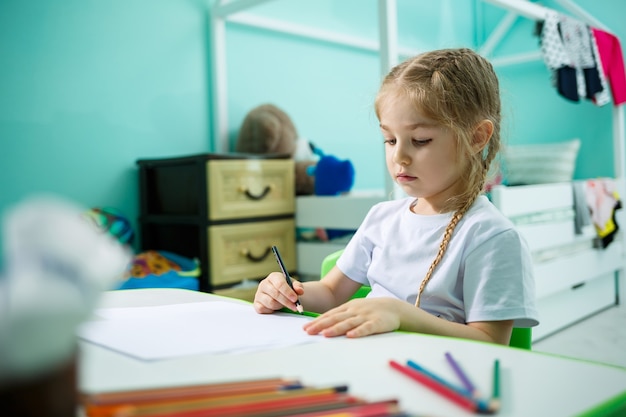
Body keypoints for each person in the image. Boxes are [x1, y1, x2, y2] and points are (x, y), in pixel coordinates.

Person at [253, 48, 539, 345]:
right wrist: (286, 291)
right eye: (390, 139)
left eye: (420, 140)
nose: (399, 156)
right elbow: (329, 293)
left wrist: (400, 314)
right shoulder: (382, 218)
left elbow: (491, 342)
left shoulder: (491, 236)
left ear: (477, 137)